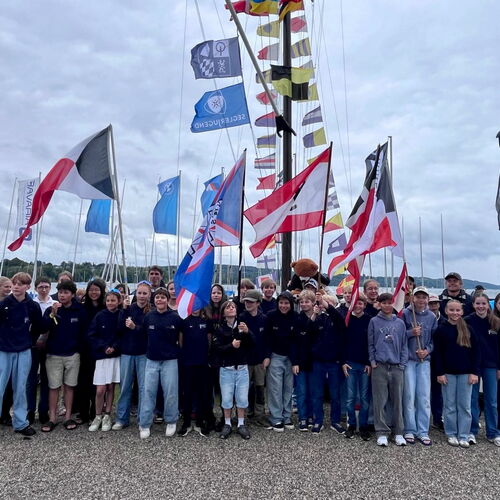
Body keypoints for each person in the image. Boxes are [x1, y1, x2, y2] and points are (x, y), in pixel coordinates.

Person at [41, 280, 88, 432]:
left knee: (69, 386)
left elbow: (84, 332)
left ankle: (67, 417)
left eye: (66, 292)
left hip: (72, 354)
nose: (62, 295)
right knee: (53, 387)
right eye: (60, 292)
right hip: (53, 354)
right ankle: (52, 418)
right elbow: (43, 328)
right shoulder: (52, 309)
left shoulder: (80, 310)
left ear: (72, 294)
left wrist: (78, 350)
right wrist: (52, 315)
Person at [0, 272, 43, 436]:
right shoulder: (4, 304)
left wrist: (30, 340)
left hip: (24, 350)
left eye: (20, 284)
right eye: (14, 283)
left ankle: (20, 423)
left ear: (27, 287)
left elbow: (38, 326)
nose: (16, 287)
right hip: (4, 349)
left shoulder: (32, 306)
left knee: (20, 387)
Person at [433, 300, 479, 448]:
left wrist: (474, 372)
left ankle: (463, 434)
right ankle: (451, 433)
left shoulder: (468, 329)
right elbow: (437, 354)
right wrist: (440, 373)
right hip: (448, 374)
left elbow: (476, 353)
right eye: (452, 310)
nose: (455, 313)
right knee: (450, 405)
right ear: (446, 311)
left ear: (462, 312)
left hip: (466, 373)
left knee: (464, 405)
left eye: (458, 310)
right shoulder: (441, 330)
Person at [139, 287, 182, 439]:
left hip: (170, 360)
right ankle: (145, 422)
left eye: (163, 297)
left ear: (167, 300)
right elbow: (143, 335)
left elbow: (181, 336)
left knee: (170, 391)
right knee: (148, 391)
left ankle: (171, 420)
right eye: (157, 297)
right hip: (152, 360)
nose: (160, 300)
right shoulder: (149, 316)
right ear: (154, 300)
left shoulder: (175, 317)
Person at [368, 292, 408, 447]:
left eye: (389, 302)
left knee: (398, 400)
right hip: (380, 365)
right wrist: (373, 361)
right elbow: (371, 343)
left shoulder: (400, 323)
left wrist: (402, 364)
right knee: (380, 400)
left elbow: (404, 345)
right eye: (383, 303)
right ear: (379, 304)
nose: (387, 305)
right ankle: (381, 432)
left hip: (396, 366)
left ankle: (398, 432)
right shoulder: (374, 321)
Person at [112, 282, 151, 430]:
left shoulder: (151, 312)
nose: (142, 296)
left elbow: (149, 332)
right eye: (139, 293)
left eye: (145, 293)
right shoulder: (129, 308)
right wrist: (123, 310)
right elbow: (119, 329)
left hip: (143, 354)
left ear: (149, 295)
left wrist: (136, 327)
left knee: (143, 388)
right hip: (127, 352)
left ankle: (143, 419)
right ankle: (122, 418)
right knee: (125, 387)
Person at [401, 286, 438, 446]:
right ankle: (409, 428)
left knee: (423, 397)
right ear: (413, 298)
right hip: (409, 360)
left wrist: (427, 350)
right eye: (418, 297)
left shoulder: (431, 317)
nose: (421, 300)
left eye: (424, 297)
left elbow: (434, 340)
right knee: (409, 396)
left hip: (424, 361)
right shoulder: (405, 314)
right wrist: (411, 333)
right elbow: (398, 335)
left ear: (427, 299)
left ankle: (423, 430)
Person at [212, 300, 254, 440]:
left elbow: (253, 343)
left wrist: (247, 332)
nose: (231, 308)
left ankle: (241, 423)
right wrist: (231, 345)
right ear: (223, 312)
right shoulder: (220, 329)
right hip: (226, 369)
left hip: (241, 368)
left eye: (233, 307)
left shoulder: (242, 327)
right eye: (228, 307)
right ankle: (227, 423)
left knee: (242, 397)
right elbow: (217, 349)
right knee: (227, 397)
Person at [465, 293, 500, 446]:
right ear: (473, 305)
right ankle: (472, 431)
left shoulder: (495, 322)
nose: (480, 306)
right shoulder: (467, 321)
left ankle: (493, 432)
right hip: (473, 365)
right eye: (478, 303)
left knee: (491, 400)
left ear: (488, 304)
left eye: (483, 303)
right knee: (472, 399)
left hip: (491, 365)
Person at [309, 292, 346, 434]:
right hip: (318, 361)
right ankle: (318, 420)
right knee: (317, 393)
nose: (324, 305)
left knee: (335, 394)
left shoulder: (338, 317)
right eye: (322, 303)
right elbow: (308, 331)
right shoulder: (319, 318)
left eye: (327, 303)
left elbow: (340, 321)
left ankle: (335, 421)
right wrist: (314, 314)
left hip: (334, 362)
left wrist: (326, 305)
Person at [263, 291, 298, 431]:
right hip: (275, 356)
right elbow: (266, 338)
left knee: (288, 388)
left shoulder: (296, 317)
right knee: (275, 388)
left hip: (290, 357)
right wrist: (267, 356)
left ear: (291, 304)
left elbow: (296, 341)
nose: (283, 306)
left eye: (286, 303)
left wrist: (295, 361)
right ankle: (276, 417)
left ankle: (287, 416)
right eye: (281, 303)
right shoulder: (270, 316)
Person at [87, 290, 121, 432]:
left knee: (110, 387)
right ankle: (97, 415)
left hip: (115, 355)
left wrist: (114, 347)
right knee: (100, 389)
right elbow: (92, 334)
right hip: (102, 355)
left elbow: (122, 334)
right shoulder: (100, 315)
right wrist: (104, 347)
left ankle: (107, 415)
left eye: (113, 300)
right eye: (108, 300)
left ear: (118, 301)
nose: (110, 303)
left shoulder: (121, 315)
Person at [74, 278, 106, 424]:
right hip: (84, 349)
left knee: (97, 382)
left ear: (101, 291)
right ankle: (83, 412)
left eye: (96, 290)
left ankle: (95, 412)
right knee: (83, 382)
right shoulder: (82, 308)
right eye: (91, 290)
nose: (94, 293)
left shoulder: (105, 308)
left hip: (99, 349)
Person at [178, 308, 211, 437]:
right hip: (188, 363)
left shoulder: (206, 321)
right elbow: (181, 341)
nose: (195, 308)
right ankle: (186, 422)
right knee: (187, 392)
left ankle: (200, 421)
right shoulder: (184, 321)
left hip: (202, 363)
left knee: (202, 392)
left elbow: (209, 340)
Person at [342, 293, 371, 440]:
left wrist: (369, 362)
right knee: (350, 397)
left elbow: (372, 343)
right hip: (350, 364)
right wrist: (343, 362)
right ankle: (351, 425)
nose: (358, 306)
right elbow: (341, 342)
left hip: (365, 365)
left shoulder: (369, 320)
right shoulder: (347, 319)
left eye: (360, 303)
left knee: (365, 398)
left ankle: (364, 426)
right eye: (355, 303)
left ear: (364, 305)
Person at [239, 289, 268, 427]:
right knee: (243, 389)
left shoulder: (264, 319)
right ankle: (242, 415)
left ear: (258, 303)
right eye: (246, 301)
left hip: (260, 359)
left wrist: (267, 356)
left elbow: (267, 340)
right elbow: (241, 339)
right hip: (245, 359)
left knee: (260, 388)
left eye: (251, 302)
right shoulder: (241, 317)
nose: (248, 304)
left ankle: (259, 415)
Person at [27, 276, 54, 425]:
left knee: (46, 378)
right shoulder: (31, 303)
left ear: (50, 288)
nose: (43, 290)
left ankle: (43, 410)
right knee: (31, 379)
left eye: (46, 287)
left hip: (49, 345)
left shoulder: (54, 304)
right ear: (36, 288)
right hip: (33, 345)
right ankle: (29, 410)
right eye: (41, 287)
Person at [205, 283, 227, 431]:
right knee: (209, 387)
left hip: (223, 352)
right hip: (209, 352)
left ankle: (225, 417)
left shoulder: (226, 310)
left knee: (223, 387)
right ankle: (210, 417)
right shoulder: (205, 310)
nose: (216, 295)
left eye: (219, 293)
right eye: (213, 293)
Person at [294, 290, 316, 431]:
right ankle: (302, 417)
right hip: (301, 361)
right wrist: (295, 362)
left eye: (307, 301)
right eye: (301, 302)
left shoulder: (320, 318)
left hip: (315, 361)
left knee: (313, 391)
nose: (304, 304)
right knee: (301, 391)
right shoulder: (297, 319)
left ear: (313, 303)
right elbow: (294, 342)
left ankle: (311, 415)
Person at [0, 277, 13, 426]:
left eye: (10, 287)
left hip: (8, 347)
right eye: (6, 287)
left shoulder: (12, 303)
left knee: (9, 384)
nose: (9, 289)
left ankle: (5, 413)